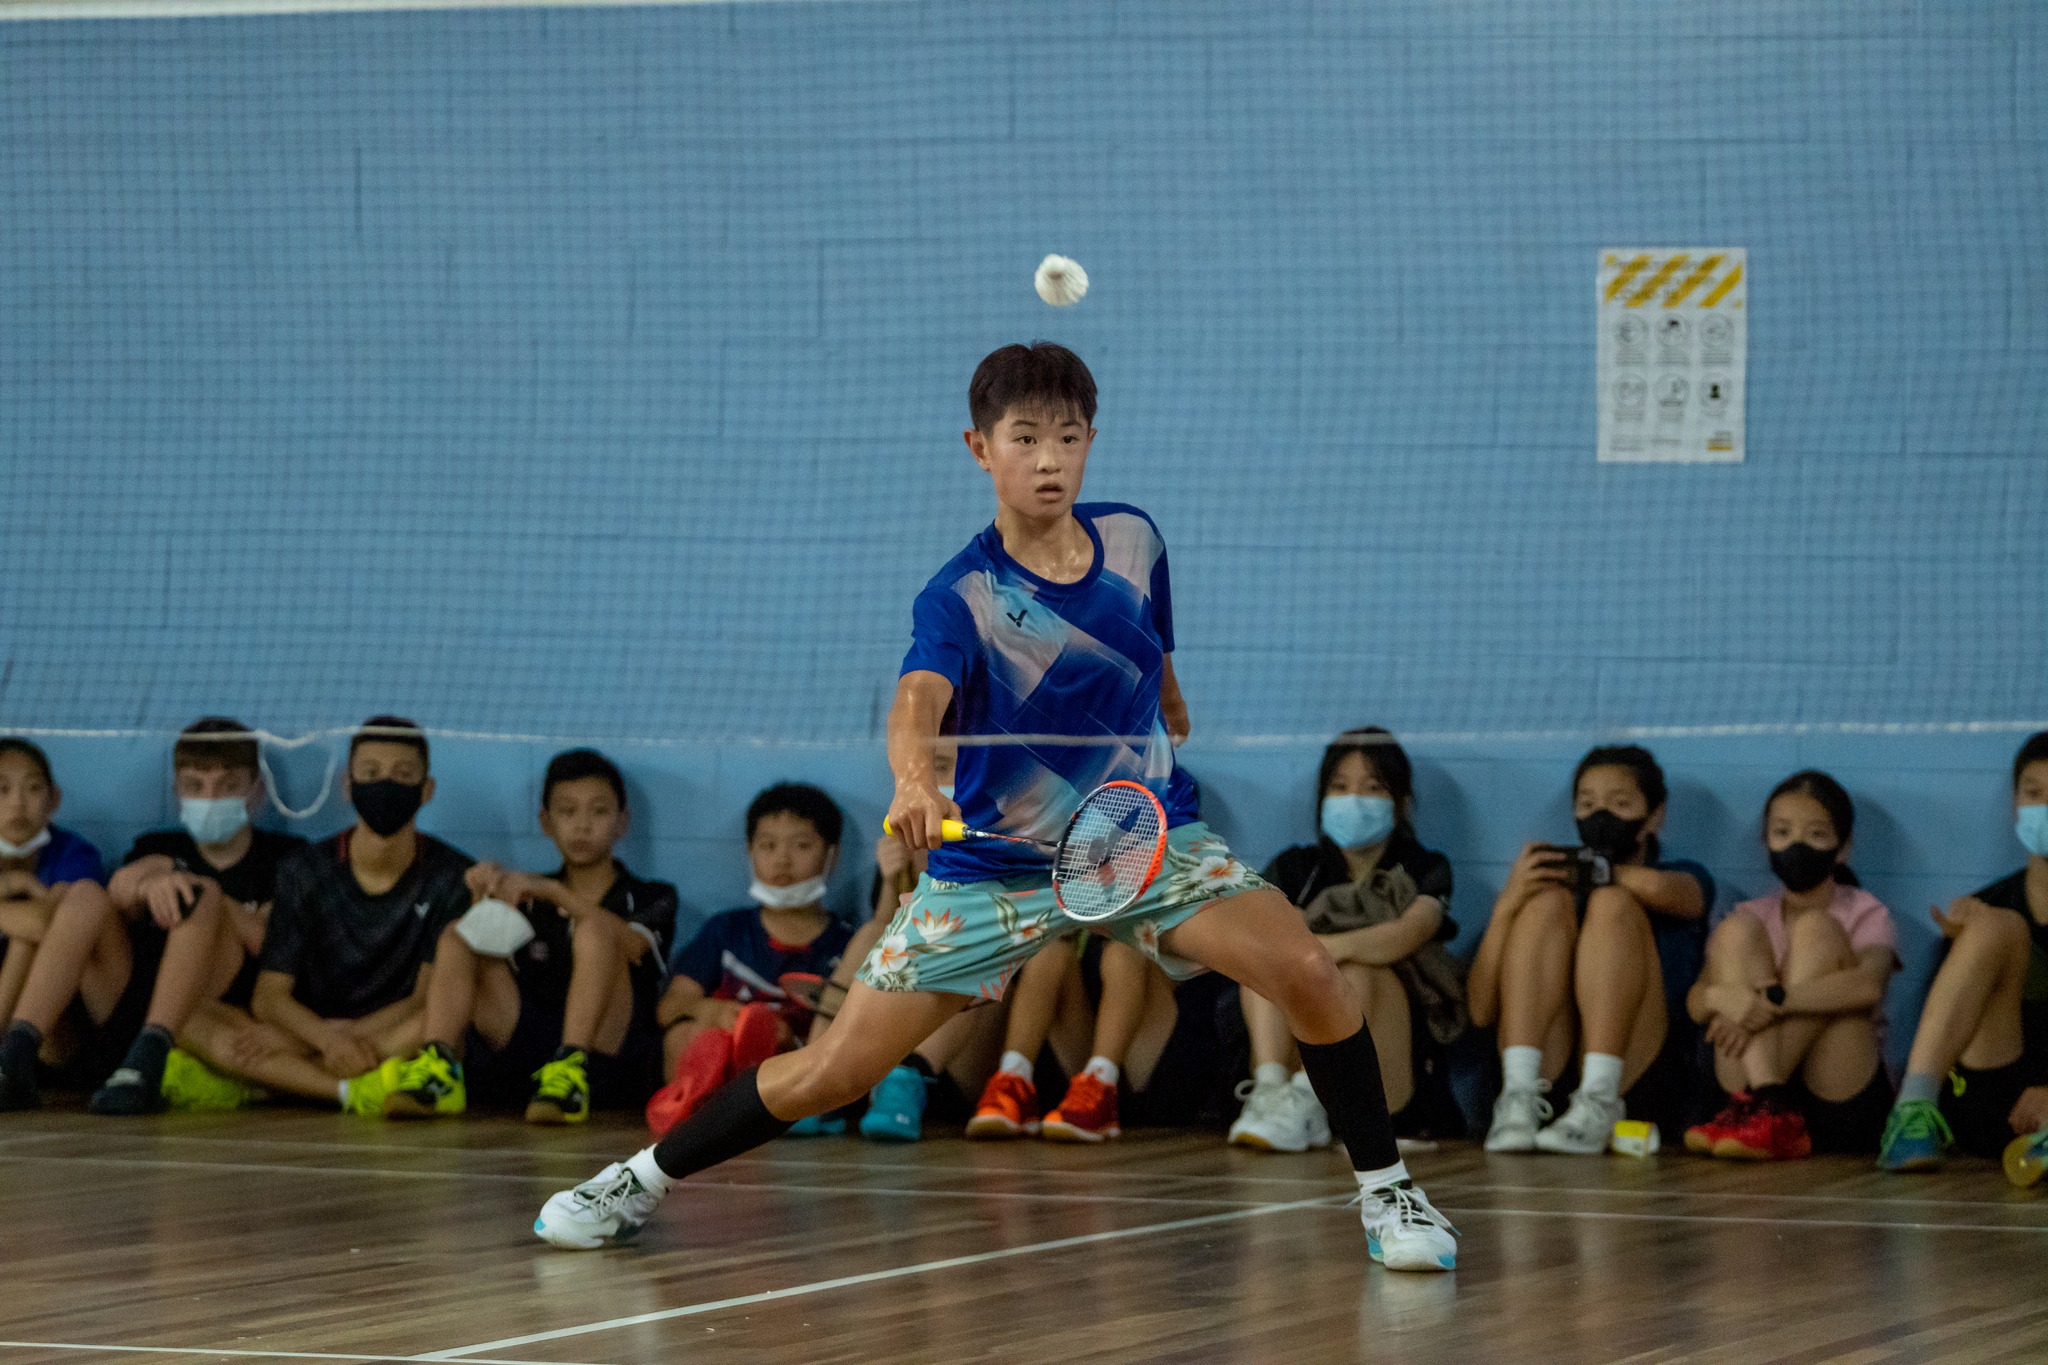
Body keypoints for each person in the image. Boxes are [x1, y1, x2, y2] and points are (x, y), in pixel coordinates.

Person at [535, 341, 1458, 1273]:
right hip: (993, 871)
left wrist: (1171, 700)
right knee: (835, 1069)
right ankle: (634, 1180)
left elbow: (1153, 641)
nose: (1050, 459)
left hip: (1139, 837)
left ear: (1092, 438)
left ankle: (1388, 1190)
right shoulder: (961, 597)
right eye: (1025, 438)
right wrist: (914, 780)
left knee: (1307, 966)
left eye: (1069, 436)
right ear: (980, 447)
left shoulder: (1135, 539)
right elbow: (917, 702)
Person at [381, 748, 677, 1123]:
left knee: (596, 929)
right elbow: (480, 960)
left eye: (598, 812)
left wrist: (553, 892)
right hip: (532, 1053)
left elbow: (634, 947)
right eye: (567, 811)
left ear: (622, 822)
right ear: (546, 822)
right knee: (460, 933)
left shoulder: (654, 896)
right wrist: (483, 896)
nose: (582, 825)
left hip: (608, 1053)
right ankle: (440, 1067)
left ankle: (571, 1067)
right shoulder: (528, 895)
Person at [1229, 727, 1467, 1153]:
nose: (1353, 799)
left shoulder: (1424, 867)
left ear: (1401, 801)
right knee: (1263, 971)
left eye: (1372, 788)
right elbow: (1260, 937)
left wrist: (1323, 953)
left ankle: (1308, 1099)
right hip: (1298, 1038)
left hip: (1389, 1053)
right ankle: (1271, 1092)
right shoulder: (1296, 868)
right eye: (1340, 787)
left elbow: (1405, 935)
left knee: (1355, 973)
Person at [1469, 744, 1715, 1154]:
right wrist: (1508, 905)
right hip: (1552, 1072)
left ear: (1654, 815)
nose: (1602, 816)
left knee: (1611, 902)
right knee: (1546, 902)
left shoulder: (1683, 876)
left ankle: (1599, 1099)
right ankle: (1518, 1097)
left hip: (1634, 1074)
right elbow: (1479, 1012)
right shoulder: (1551, 889)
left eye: (1620, 803)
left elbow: (1671, 893)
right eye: (1588, 804)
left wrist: (1595, 872)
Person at [248, 716, 477, 1112]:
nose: (385, 785)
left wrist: (343, 1038)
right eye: (370, 773)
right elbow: (269, 997)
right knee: (188, 1017)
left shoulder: (453, 877)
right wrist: (326, 1040)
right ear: (347, 785)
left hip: (393, 1032)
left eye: (402, 774)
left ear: (427, 790)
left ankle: (277, 1081)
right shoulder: (303, 870)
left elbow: (425, 998)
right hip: (316, 1028)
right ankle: (353, 1085)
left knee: (441, 1024)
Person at [1685, 771, 1896, 1160]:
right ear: (1766, 841)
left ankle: (1767, 1105)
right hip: (1745, 1090)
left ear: (1842, 847)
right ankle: (1768, 1107)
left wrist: (1768, 999)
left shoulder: (1866, 912)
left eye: (1816, 834)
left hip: (1836, 1091)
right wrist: (1724, 998)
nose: (1797, 845)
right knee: (1735, 932)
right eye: (1783, 832)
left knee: (1815, 929)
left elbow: (1867, 986)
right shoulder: (1749, 914)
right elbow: (1696, 1002)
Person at [1879, 732, 2048, 1176]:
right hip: (1995, 1096)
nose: (2045, 807)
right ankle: (1912, 1113)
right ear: (2015, 805)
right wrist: (1964, 945)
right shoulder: (1985, 908)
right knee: (1995, 927)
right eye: (2034, 794)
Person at [643, 783, 853, 1137]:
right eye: (768, 846)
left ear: (832, 855)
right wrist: (711, 1012)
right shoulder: (726, 930)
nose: (782, 860)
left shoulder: (847, 944)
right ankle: (692, 1100)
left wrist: (784, 1037)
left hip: (793, 1069)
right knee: (687, 1033)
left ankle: (743, 1101)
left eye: (801, 846)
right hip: (723, 1052)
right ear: (749, 852)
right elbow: (670, 1007)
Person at [965, 932, 1166, 1143]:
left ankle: (1102, 1079)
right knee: (1049, 948)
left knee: (1127, 946)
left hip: (1148, 1049)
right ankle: (1014, 1079)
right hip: (1075, 1054)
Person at [0, 737, 114, 1108]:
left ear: (55, 800)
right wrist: (12, 884)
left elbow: (41, 924)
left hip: (59, 1032)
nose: (17, 803)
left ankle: (10, 1064)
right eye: (2, 790)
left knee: (26, 941)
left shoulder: (73, 853)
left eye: (33, 789)